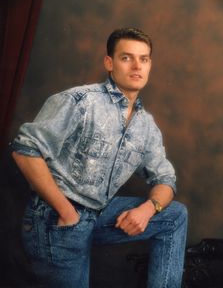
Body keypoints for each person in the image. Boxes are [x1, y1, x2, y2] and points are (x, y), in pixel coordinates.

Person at [12, 28, 188, 288]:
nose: (137, 66)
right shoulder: (81, 101)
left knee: (175, 215)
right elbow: (24, 151)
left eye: (144, 59)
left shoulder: (146, 126)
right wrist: (66, 211)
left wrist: (148, 209)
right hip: (56, 219)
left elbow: (166, 179)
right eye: (127, 58)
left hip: (97, 214)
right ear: (109, 63)